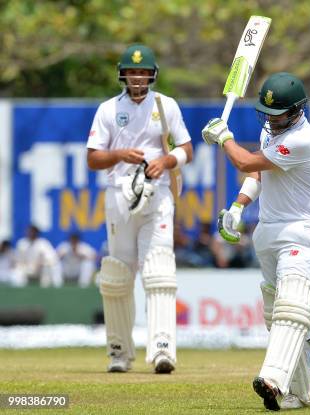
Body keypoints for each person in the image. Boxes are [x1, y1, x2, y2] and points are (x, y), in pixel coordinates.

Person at [202, 72, 310, 410]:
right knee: (276, 313)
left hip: (301, 230)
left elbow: (245, 160)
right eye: (266, 113)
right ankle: (304, 394)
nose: (270, 119)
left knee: (293, 304)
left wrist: (225, 138)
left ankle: (273, 379)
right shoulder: (272, 130)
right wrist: (239, 205)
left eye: (277, 113)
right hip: (268, 230)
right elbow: (257, 172)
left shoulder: (303, 139)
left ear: (297, 110)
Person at [86, 44, 193, 374]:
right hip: (120, 194)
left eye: (143, 72)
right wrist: (119, 155)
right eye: (132, 72)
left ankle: (163, 349)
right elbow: (93, 158)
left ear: (151, 75)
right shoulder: (107, 109)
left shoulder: (166, 105)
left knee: (159, 270)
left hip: (158, 193)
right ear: (123, 74)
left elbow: (187, 148)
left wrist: (166, 160)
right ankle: (119, 351)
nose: (137, 77)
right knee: (118, 275)